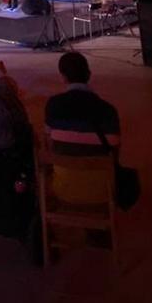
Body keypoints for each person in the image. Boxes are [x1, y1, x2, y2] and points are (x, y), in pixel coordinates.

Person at [43, 51, 121, 206]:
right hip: (102, 190)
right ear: (89, 75)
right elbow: (115, 154)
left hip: (62, 188)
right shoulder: (108, 111)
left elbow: (49, 145)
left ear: (63, 77)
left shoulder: (53, 105)